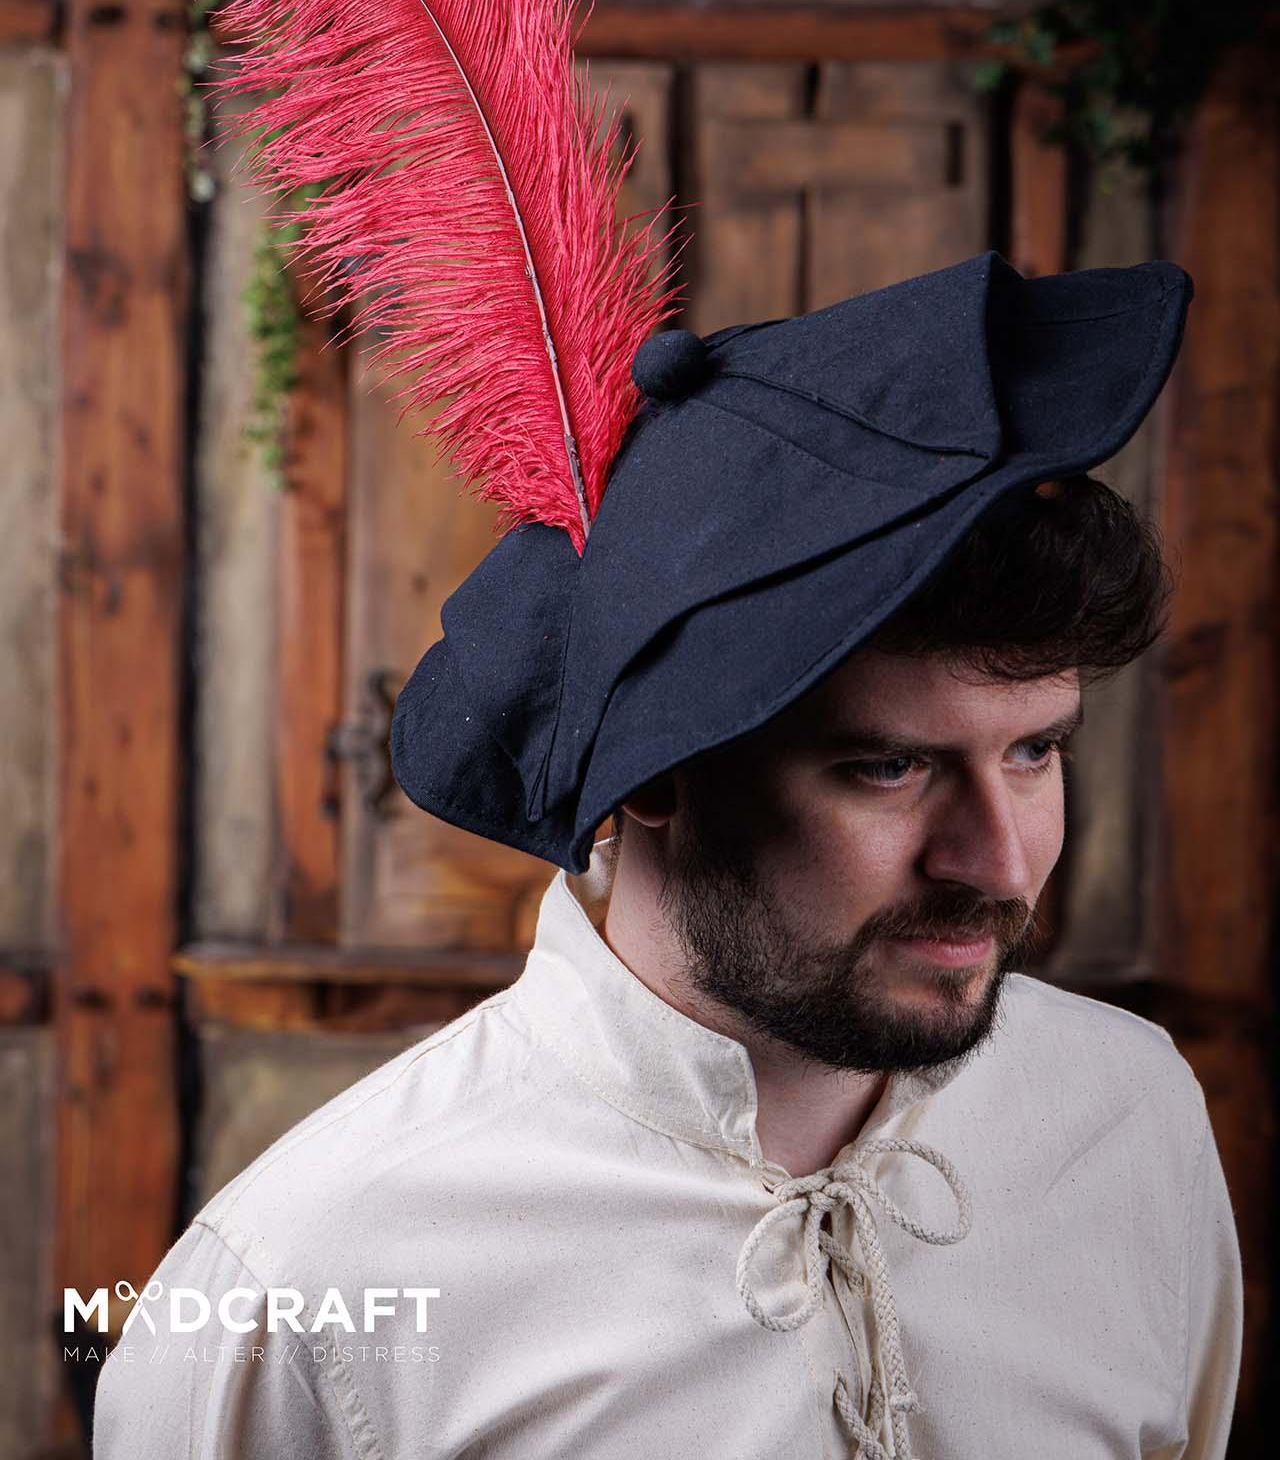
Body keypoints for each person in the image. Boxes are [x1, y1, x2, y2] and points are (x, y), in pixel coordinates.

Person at [93, 253, 1243, 1460]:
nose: (1000, 866)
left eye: (1031, 753)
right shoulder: (303, 1281)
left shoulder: (1127, 1112)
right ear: (650, 774)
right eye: (887, 768)